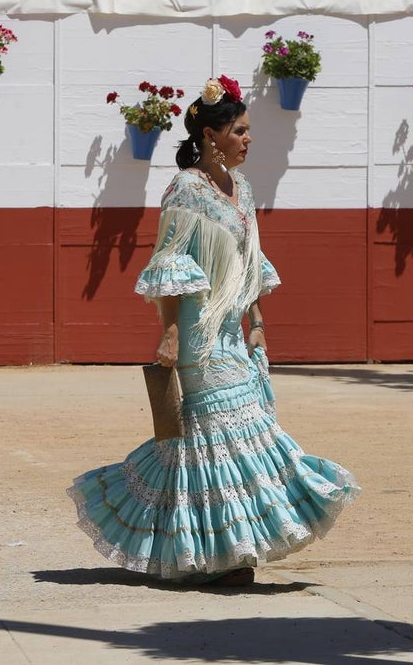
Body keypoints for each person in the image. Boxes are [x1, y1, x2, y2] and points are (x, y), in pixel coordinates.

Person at [68, 75, 361, 587]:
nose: (248, 139)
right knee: (211, 439)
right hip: (197, 335)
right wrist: (170, 335)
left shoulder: (242, 189)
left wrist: (258, 323)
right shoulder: (185, 189)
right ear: (210, 135)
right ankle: (224, 557)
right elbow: (170, 262)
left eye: (248, 130)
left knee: (241, 432)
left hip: (232, 331)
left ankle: (225, 552)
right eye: (239, 131)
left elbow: (250, 262)